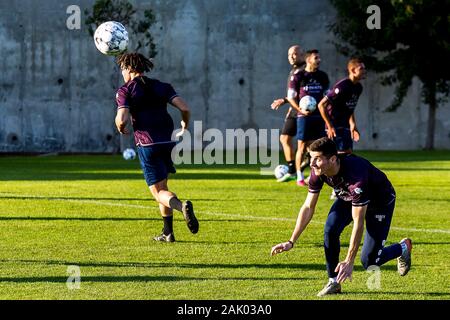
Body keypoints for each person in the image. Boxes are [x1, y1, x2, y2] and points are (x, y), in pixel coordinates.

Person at [270, 137, 412, 297]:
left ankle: (403, 247)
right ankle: (333, 282)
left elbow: (358, 223)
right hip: (349, 197)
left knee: (370, 262)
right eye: (311, 158)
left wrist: (349, 260)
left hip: (380, 203)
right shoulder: (318, 170)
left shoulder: (356, 177)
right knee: (330, 229)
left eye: (317, 159)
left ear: (332, 159)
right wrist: (291, 241)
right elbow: (308, 206)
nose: (311, 163)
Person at [115, 52, 199, 243]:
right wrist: (185, 126)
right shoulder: (162, 86)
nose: (122, 73)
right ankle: (168, 233)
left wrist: (121, 127)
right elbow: (185, 108)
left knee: (158, 193)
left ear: (129, 68)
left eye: (122, 69)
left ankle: (181, 205)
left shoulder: (125, 90)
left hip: (148, 143)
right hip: (168, 142)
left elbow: (122, 119)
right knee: (163, 187)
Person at [285, 49, 329, 186]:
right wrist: (300, 110)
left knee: (319, 147)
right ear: (308, 59)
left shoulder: (323, 76)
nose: (319, 60)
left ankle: (315, 175)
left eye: (319, 58)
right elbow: (291, 97)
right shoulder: (299, 76)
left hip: (319, 116)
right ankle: (299, 176)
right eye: (316, 58)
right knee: (302, 146)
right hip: (303, 117)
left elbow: (327, 96)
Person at [271, 45, 305, 182]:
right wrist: (287, 103)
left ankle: (300, 170)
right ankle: (292, 169)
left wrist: (288, 102)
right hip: (294, 110)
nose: (291, 57)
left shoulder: (305, 71)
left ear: (302, 55)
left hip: (304, 112)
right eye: (289, 55)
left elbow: (305, 92)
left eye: (295, 54)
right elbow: (294, 94)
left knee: (306, 144)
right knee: (284, 138)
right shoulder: (294, 71)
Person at [318, 58, 366, 155]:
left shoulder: (358, 87)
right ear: (353, 70)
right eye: (361, 68)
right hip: (335, 126)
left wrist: (352, 124)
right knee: (340, 154)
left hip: (345, 125)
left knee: (347, 153)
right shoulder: (342, 86)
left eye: (364, 68)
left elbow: (350, 107)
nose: (364, 71)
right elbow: (321, 105)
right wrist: (330, 126)